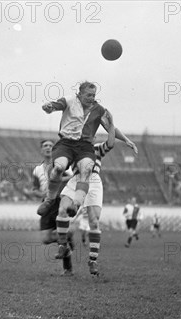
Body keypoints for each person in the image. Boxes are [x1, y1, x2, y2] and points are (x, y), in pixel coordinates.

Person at [55, 111, 138, 276]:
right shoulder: (71, 148)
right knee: (62, 210)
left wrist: (114, 127)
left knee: (94, 221)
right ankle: (63, 245)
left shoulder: (96, 149)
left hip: (93, 182)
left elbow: (111, 143)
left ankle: (92, 260)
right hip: (76, 179)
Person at [38, 81, 127, 218]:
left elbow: (111, 128)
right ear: (79, 93)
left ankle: (76, 204)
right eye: (88, 95)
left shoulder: (99, 110)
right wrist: (48, 107)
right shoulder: (69, 100)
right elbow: (54, 106)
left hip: (85, 146)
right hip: (66, 143)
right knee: (59, 168)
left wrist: (126, 140)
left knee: (86, 169)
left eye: (93, 95)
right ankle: (49, 199)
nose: (91, 98)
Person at [30, 139, 74, 275]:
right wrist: (43, 192)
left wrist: (56, 180)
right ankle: (68, 237)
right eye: (45, 146)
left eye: (50, 145)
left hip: (60, 201)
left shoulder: (61, 165)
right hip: (46, 203)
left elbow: (72, 178)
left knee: (61, 233)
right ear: (41, 150)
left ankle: (67, 270)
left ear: (54, 149)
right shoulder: (37, 170)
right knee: (45, 239)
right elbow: (34, 189)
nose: (48, 147)